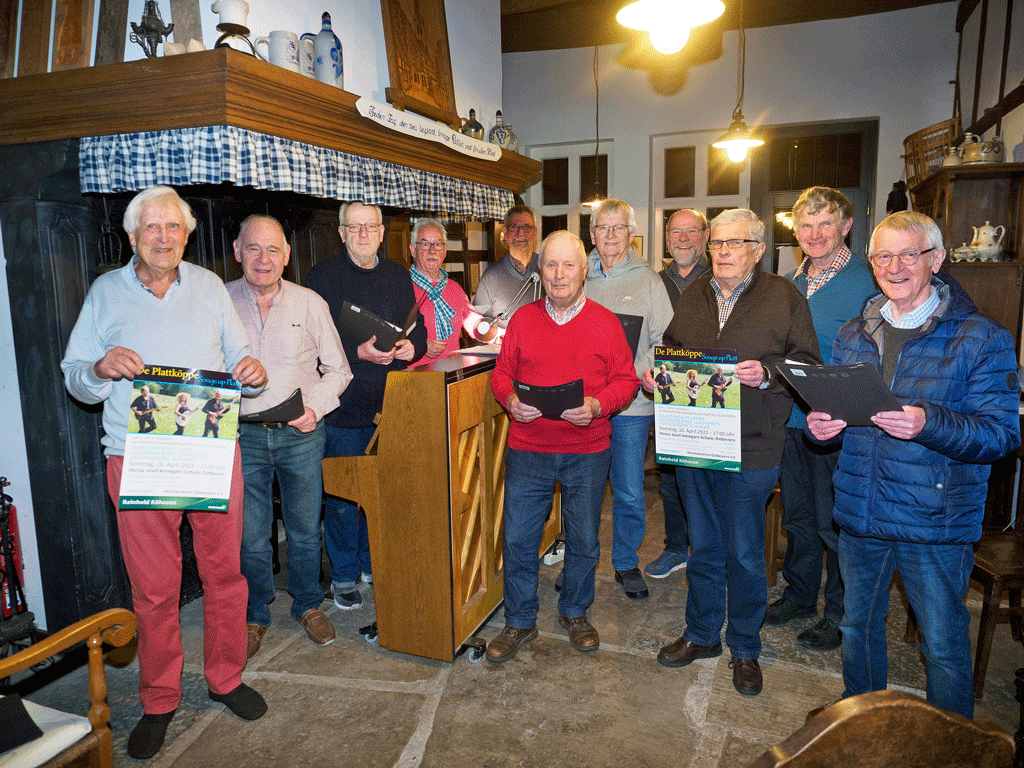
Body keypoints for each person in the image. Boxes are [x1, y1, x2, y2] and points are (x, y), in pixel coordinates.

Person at [60, 185, 269, 761]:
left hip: (209, 448)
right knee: (155, 588)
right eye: (151, 228)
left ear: (187, 235)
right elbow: (75, 374)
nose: (163, 237)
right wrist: (100, 367)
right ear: (131, 237)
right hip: (138, 456)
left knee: (225, 573)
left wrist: (249, 368)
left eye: (173, 228)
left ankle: (225, 678)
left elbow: (240, 355)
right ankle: (158, 699)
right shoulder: (106, 292)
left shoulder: (207, 287)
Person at [806, 211, 1019, 719]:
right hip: (862, 508)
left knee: (942, 646)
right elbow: (849, 408)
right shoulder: (855, 332)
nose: (894, 267)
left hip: (934, 518)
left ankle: (952, 743)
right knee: (857, 628)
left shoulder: (981, 337)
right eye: (883, 255)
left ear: (937, 259)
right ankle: (861, 720)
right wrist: (825, 423)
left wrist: (929, 422)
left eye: (909, 254)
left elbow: (1001, 435)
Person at [646, 209, 820, 697]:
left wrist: (765, 373)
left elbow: (806, 362)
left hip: (754, 444)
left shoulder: (783, 296)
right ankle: (702, 635)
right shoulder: (696, 293)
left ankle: (744, 645)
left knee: (743, 552)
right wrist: (660, 376)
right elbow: (675, 348)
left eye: (734, 244)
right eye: (716, 244)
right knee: (702, 544)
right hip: (696, 440)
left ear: (758, 250)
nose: (721, 252)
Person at [486, 230, 639, 663]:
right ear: (540, 271)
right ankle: (519, 619)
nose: (558, 274)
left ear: (584, 269)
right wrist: (511, 400)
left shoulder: (606, 323)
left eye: (568, 264)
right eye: (550, 265)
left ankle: (574, 610)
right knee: (518, 539)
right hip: (528, 448)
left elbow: (626, 382)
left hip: (587, 449)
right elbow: (502, 373)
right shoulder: (522, 320)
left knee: (584, 539)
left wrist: (597, 405)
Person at [227, 214, 353, 660]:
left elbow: (339, 369)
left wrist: (314, 407)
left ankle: (307, 605)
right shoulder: (218, 303)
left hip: (302, 435)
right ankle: (256, 613)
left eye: (273, 249)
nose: (264, 259)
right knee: (251, 535)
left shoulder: (309, 303)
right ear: (238, 251)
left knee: (303, 529)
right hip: (241, 437)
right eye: (254, 249)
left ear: (287, 255)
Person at [765, 187, 877, 652]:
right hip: (791, 419)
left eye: (824, 224)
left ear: (846, 226)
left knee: (837, 520)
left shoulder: (867, 281)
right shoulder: (787, 283)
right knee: (799, 515)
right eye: (804, 225)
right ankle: (799, 594)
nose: (813, 234)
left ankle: (838, 612)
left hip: (841, 425)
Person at [305, 202, 427, 611]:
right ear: (340, 233)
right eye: (353, 227)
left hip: (393, 405)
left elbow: (416, 327)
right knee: (342, 495)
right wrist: (357, 353)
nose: (362, 234)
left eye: (369, 226)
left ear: (380, 232)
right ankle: (343, 575)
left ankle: (374, 561)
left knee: (383, 490)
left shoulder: (397, 274)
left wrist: (414, 347)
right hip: (342, 406)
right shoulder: (323, 277)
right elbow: (311, 341)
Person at [585, 199, 674, 600]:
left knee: (628, 490)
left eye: (618, 227)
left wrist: (651, 370)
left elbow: (665, 341)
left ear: (631, 234)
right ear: (592, 234)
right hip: (582, 404)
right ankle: (579, 562)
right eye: (602, 227)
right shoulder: (576, 274)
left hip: (631, 406)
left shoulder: (649, 281)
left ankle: (624, 560)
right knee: (580, 488)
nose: (609, 235)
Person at [645, 208, 715, 580]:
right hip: (667, 392)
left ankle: (708, 552)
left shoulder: (721, 276)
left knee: (709, 476)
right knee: (671, 476)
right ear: (667, 238)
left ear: (705, 236)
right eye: (676, 232)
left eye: (692, 232)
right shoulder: (655, 281)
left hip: (714, 392)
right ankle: (675, 547)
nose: (683, 239)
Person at [407, 218, 474, 367]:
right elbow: (391, 338)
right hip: (414, 378)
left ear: (444, 252)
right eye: (425, 244)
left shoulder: (454, 288)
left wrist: (491, 330)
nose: (432, 250)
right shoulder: (401, 287)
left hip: (452, 374)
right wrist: (421, 347)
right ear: (413, 250)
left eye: (438, 244)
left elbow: (474, 323)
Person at [473, 204, 542, 328]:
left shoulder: (547, 269)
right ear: (505, 233)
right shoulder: (490, 277)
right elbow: (479, 325)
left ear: (534, 232)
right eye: (514, 227)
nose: (520, 233)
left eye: (526, 227)